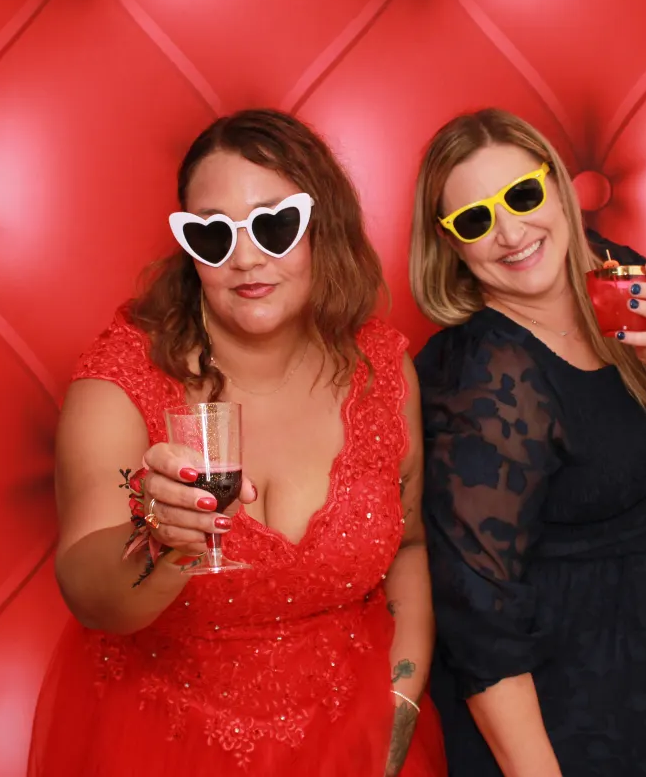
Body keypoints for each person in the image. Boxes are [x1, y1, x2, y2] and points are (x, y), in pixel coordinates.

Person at [28, 109, 446, 777]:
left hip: (355, 740)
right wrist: (163, 538)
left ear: (322, 224)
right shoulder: (121, 381)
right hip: (161, 746)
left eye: (275, 226)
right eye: (214, 234)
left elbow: (411, 545)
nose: (247, 257)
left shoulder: (382, 370)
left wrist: (401, 700)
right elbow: (88, 592)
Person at [408, 108, 646, 776]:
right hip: (547, 704)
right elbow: (480, 622)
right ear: (451, 245)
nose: (511, 233)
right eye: (475, 220)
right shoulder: (482, 375)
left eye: (522, 195)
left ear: (556, 186)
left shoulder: (610, 274)